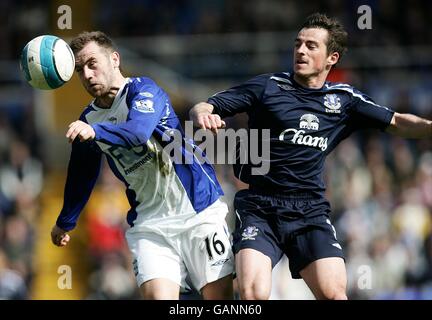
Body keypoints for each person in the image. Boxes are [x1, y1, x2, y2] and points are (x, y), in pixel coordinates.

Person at [189, 13, 432, 300]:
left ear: (332, 58)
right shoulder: (268, 86)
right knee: (253, 293)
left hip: (310, 211)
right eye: (298, 44)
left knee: (334, 294)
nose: (301, 51)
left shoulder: (345, 100)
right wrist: (203, 116)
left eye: (311, 46)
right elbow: (204, 106)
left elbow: (397, 122)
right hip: (260, 208)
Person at [50, 31, 234, 300]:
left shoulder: (145, 91)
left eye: (92, 64)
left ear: (114, 59)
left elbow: (138, 132)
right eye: (80, 70)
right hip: (150, 223)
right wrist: (66, 220)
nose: (87, 75)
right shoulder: (88, 119)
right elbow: (82, 174)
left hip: (199, 209)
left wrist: (95, 132)